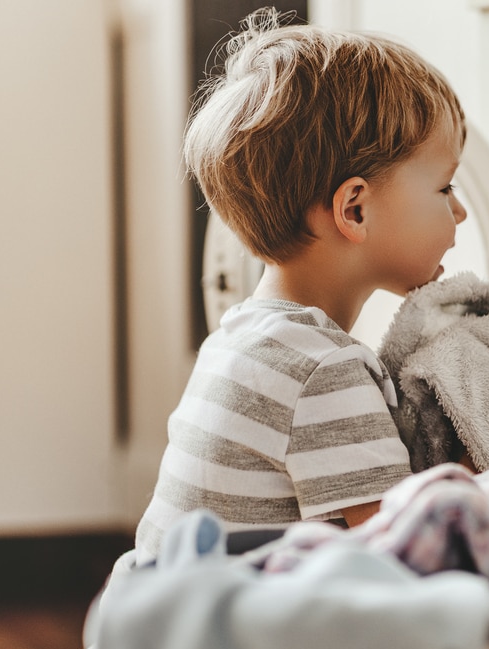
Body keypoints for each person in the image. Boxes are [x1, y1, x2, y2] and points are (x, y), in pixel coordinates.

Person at [133, 8, 468, 563]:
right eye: (444, 186)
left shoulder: (241, 336)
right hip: (208, 642)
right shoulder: (323, 370)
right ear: (354, 209)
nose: (459, 212)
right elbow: (400, 562)